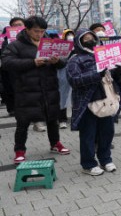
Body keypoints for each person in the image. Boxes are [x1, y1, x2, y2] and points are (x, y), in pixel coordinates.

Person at [1, 16, 70, 163]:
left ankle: (55, 143)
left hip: (49, 88)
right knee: (23, 122)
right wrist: (32, 62)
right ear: (27, 29)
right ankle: (19, 150)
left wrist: (57, 61)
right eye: (36, 31)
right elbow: (6, 63)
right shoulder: (16, 45)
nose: (39, 34)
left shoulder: (50, 43)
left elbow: (64, 63)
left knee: (52, 119)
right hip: (26, 89)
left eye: (42, 31)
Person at [67, 29, 121, 175]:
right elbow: (74, 80)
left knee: (107, 133)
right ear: (78, 41)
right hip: (87, 102)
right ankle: (88, 164)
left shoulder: (102, 54)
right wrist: (97, 74)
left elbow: (117, 77)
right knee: (88, 135)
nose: (90, 40)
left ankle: (106, 159)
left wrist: (120, 65)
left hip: (107, 100)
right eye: (86, 38)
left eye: (92, 37)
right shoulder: (75, 59)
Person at [1, 17, 25, 116]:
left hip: (26, 67)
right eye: (14, 26)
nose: (17, 27)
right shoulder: (5, 39)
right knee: (11, 89)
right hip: (11, 68)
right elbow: (3, 53)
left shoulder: (30, 37)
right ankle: (13, 109)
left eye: (19, 24)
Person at [58, 29, 75, 128]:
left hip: (75, 75)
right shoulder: (61, 47)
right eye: (67, 35)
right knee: (62, 97)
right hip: (63, 75)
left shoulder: (78, 47)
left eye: (71, 34)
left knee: (75, 98)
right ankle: (62, 119)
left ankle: (74, 118)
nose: (70, 36)